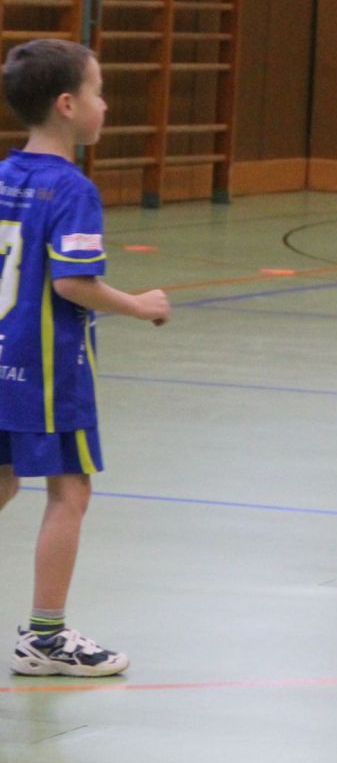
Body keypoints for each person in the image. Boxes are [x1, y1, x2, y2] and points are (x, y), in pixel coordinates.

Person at [0, 40, 170, 677]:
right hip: (47, 372)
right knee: (70, 490)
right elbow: (73, 281)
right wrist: (138, 304)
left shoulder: (4, 176)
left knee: (3, 479)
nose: (107, 104)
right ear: (68, 105)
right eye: (99, 91)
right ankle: (46, 637)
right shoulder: (72, 189)